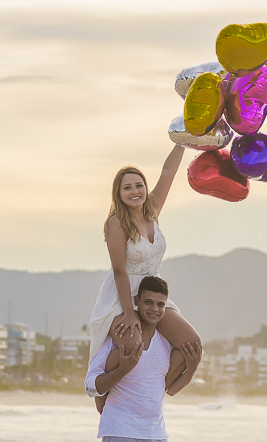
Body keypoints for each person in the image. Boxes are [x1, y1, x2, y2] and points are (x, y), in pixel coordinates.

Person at [88, 145, 203, 406]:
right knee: (133, 346)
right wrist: (129, 312)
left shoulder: (152, 210)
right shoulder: (117, 222)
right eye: (127, 187)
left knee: (191, 343)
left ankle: (152, 392)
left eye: (138, 185)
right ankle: (104, 401)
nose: (134, 191)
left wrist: (182, 141)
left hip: (152, 293)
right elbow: (119, 270)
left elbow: (169, 171)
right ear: (118, 193)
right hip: (123, 295)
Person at [86, 276, 202, 441]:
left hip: (156, 435)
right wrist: (123, 369)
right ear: (136, 301)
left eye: (160, 304)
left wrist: (191, 369)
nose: (154, 309)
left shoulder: (166, 345)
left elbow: (170, 391)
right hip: (120, 432)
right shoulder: (116, 342)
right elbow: (91, 387)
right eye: (148, 302)